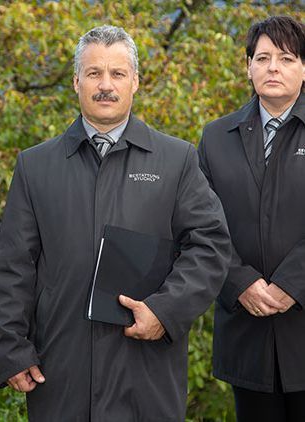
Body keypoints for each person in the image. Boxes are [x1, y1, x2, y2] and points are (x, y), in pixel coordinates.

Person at [0, 25, 231, 421]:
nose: (105, 85)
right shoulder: (35, 166)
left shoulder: (176, 160)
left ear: (135, 81)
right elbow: (13, 265)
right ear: (76, 82)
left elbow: (211, 246)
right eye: (94, 73)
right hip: (60, 365)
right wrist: (12, 348)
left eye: (117, 73)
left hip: (145, 368)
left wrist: (165, 311)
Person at [198, 16, 305, 421]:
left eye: (286, 58)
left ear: (304, 68)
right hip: (246, 329)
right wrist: (239, 282)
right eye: (262, 58)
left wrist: (292, 283)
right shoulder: (216, 138)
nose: (273, 67)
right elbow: (199, 225)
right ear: (248, 67)